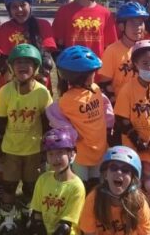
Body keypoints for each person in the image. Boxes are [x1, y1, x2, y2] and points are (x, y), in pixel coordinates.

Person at [0, 44, 52, 235]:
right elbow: (0, 122)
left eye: (28, 63)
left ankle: (29, 214)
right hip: (11, 148)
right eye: (18, 62)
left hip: (34, 149)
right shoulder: (5, 91)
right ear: (11, 67)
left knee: (31, 186)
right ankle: (7, 218)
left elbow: (47, 123)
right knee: (8, 185)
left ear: (36, 68)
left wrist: (46, 149)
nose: (23, 66)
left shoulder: (42, 92)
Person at [13, 128, 85, 235]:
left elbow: (66, 227)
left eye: (60, 153)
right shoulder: (43, 179)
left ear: (71, 154)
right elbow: (37, 213)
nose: (55, 159)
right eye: (51, 154)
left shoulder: (76, 186)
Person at [114, 40, 150, 212]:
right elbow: (122, 118)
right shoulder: (127, 89)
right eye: (144, 63)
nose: (149, 67)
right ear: (135, 64)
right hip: (132, 148)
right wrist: (135, 139)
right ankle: (133, 213)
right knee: (133, 184)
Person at [47, 45, 112, 190]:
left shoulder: (95, 89)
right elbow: (54, 116)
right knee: (80, 187)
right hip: (81, 155)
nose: (95, 75)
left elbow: (105, 106)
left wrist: (108, 126)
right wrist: (72, 134)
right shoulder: (67, 100)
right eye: (92, 73)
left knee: (97, 185)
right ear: (81, 77)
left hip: (99, 149)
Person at [0, 0, 57, 87]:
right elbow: (4, 60)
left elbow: (47, 59)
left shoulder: (43, 25)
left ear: (30, 5)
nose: (19, 10)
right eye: (14, 7)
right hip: (12, 86)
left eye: (23, 5)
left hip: (38, 85)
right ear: (9, 10)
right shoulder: (4, 28)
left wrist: (39, 80)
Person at [52, 0, 116, 57]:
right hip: (72, 68)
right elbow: (58, 43)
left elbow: (110, 47)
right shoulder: (64, 11)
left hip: (97, 69)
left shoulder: (106, 14)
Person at [98, 1, 150, 103]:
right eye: (132, 23)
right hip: (120, 106)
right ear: (121, 27)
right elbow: (105, 84)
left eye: (140, 23)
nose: (138, 27)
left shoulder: (147, 49)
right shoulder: (112, 50)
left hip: (142, 106)